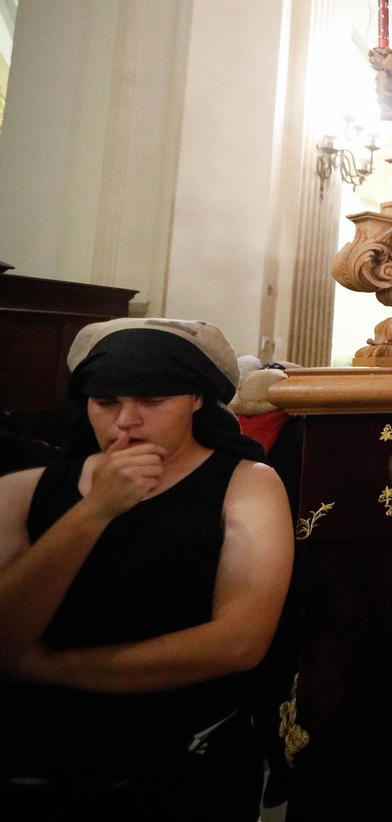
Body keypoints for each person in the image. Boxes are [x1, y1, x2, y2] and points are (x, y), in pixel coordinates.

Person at [0, 317, 294, 819]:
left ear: (197, 399)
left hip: (185, 764)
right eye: (106, 402)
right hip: (37, 761)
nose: (125, 422)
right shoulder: (22, 490)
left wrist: (52, 667)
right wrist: (94, 511)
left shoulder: (248, 485)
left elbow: (240, 641)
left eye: (152, 402)